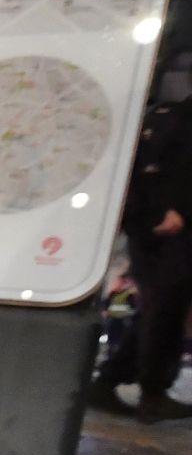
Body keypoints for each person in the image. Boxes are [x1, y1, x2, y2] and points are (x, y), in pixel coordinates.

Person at [87, 91, 192, 422]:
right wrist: (166, 213)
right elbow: (165, 171)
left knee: (162, 305)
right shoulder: (177, 118)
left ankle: (110, 381)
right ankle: (152, 394)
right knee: (165, 306)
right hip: (168, 226)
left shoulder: (167, 114)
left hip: (158, 223)